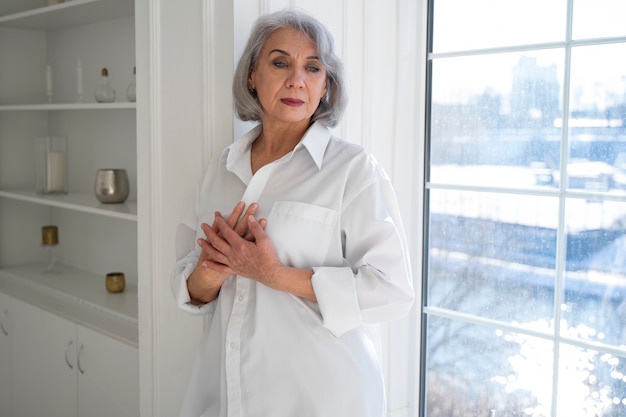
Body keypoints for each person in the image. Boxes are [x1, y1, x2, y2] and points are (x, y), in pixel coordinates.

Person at [171, 9, 414, 417]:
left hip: (323, 398)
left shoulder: (353, 170)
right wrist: (207, 274)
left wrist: (274, 274)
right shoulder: (220, 169)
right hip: (226, 393)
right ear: (252, 74)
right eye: (280, 62)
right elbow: (190, 289)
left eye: (313, 68)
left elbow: (392, 292)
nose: (296, 80)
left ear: (325, 87)